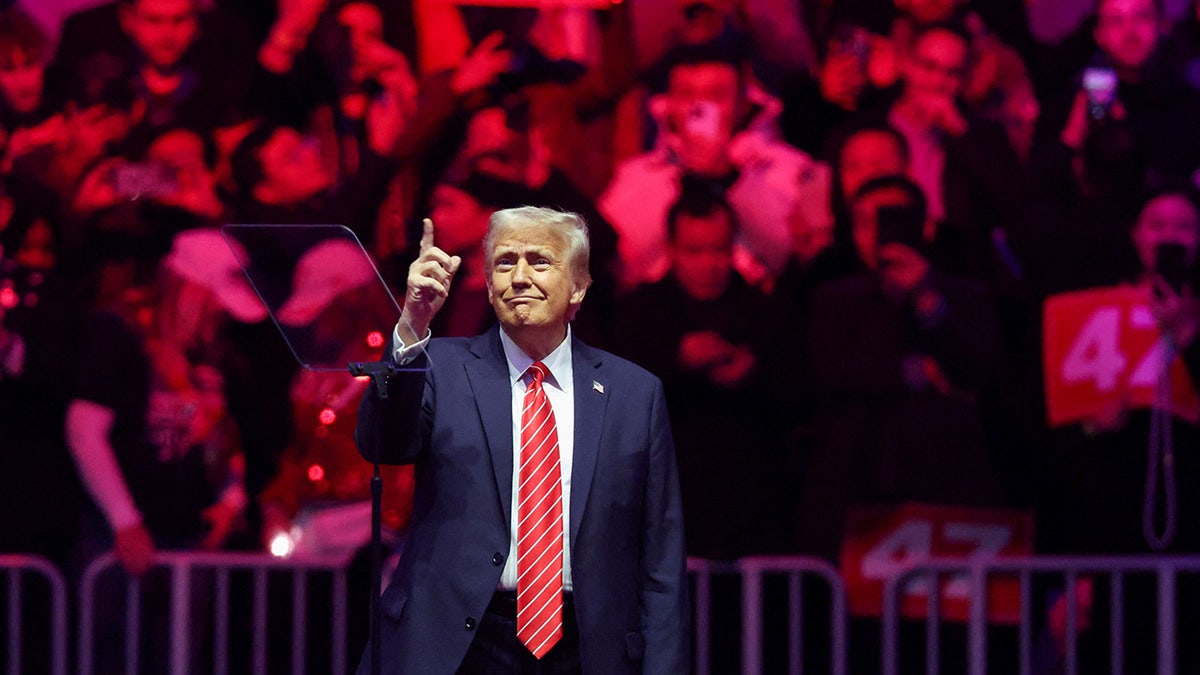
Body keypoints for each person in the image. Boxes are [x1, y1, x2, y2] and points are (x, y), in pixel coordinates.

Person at [355, 207, 689, 673]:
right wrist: (412, 325)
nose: (519, 277)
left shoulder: (635, 394)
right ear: (489, 285)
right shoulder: (438, 368)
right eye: (505, 262)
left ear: (578, 286)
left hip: (586, 647)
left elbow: (661, 561)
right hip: (458, 645)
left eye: (540, 261)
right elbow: (382, 443)